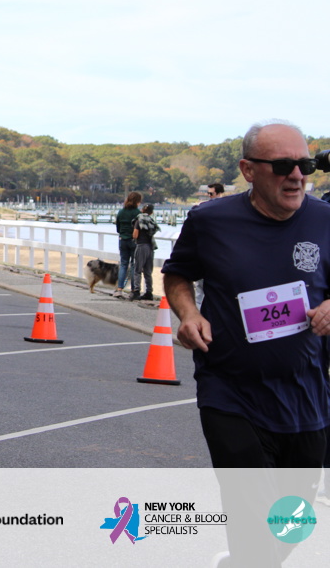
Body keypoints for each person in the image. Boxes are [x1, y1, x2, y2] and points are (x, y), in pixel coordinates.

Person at [162, 121, 329, 566]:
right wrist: (189, 314)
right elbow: (177, 273)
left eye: (305, 164)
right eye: (283, 165)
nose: (297, 175)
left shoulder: (325, 219)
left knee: (294, 522)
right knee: (252, 516)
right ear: (248, 170)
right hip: (230, 392)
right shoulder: (210, 221)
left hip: (306, 396)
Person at [112, 191, 142, 297]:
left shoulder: (121, 212)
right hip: (134, 241)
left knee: (123, 264)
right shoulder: (138, 213)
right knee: (134, 265)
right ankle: (133, 290)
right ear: (138, 201)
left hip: (122, 239)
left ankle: (119, 289)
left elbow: (118, 228)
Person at [129, 203, 158, 301]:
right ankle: (149, 292)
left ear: (142, 210)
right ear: (151, 212)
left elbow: (135, 235)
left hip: (141, 246)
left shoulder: (139, 219)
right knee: (148, 271)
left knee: (137, 270)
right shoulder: (151, 221)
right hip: (150, 246)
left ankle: (136, 291)